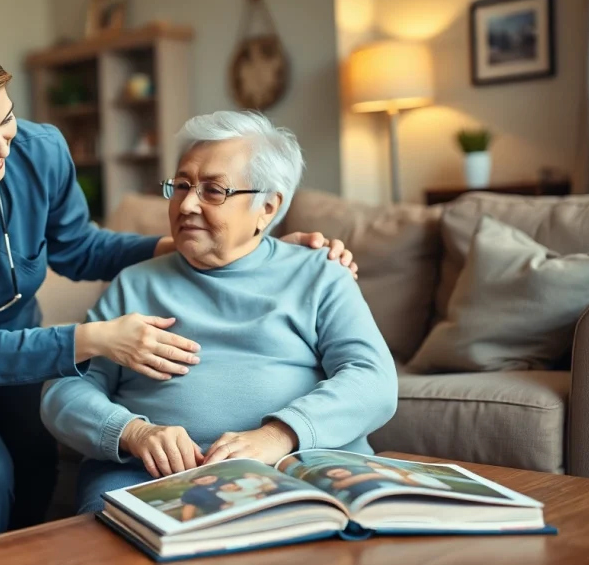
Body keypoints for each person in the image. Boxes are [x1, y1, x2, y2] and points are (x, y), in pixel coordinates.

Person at [0, 14, 358, 546]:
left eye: (8, 119)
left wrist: (243, 245)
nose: (4, 147)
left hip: (19, 340)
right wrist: (99, 338)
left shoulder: (39, 149)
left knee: (35, 457)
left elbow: (78, 249)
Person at [40, 111, 398, 516]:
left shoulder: (319, 273)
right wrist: (134, 433)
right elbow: (65, 390)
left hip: (295, 466)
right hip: (150, 475)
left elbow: (373, 379)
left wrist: (279, 434)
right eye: (182, 185)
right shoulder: (135, 284)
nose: (188, 204)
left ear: (267, 207)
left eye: (214, 191)